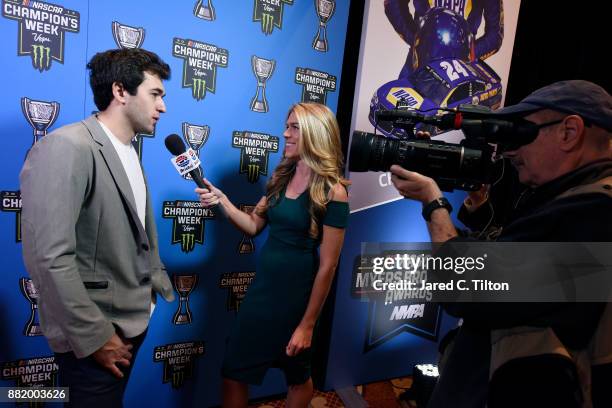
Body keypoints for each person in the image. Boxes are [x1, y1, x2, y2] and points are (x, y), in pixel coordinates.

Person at [389, 80, 612, 407]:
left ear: (569, 132)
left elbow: (463, 285)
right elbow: (516, 266)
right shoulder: (570, 199)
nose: (510, 151)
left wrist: (433, 203)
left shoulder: (594, 216)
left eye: (522, 133)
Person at [20, 48, 175, 407]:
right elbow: (50, 258)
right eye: (155, 94)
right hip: (94, 333)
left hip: (130, 321)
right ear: (120, 91)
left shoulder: (129, 149)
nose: (162, 107)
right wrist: (97, 337)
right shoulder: (67, 147)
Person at [197, 102, 349, 408]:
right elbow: (253, 225)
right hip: (262, 295)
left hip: (297, 301)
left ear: (315, 134)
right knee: (232, 372)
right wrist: (223, 201)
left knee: (297, 378)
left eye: (294, 128)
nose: (285, 134)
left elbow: (329, 265)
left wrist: (306, 325)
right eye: (287, 125)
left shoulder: (333, 192)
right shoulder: (281, 178)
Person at [384, 0, 504, 78]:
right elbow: (392, 4)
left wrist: (468, 54)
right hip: (421, 65)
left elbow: (495, 35)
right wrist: (418, 41)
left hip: (460, 71)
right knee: (402, 114)